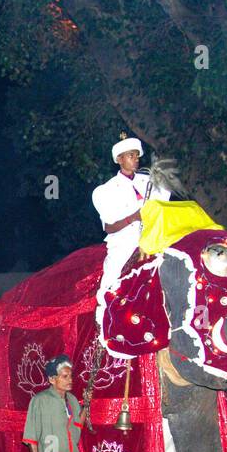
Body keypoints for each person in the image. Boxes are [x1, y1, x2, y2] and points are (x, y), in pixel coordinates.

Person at [92, 137, 150, 323]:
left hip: (153, 238)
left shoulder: (150, 181)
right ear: (119, 159)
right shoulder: (107, 190)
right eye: (130, 156)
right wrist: (133, 217)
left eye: (137, 156)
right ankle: (106, 321)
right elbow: (109, 226)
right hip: (124, 244)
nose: (136, 159)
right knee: (112, 282)